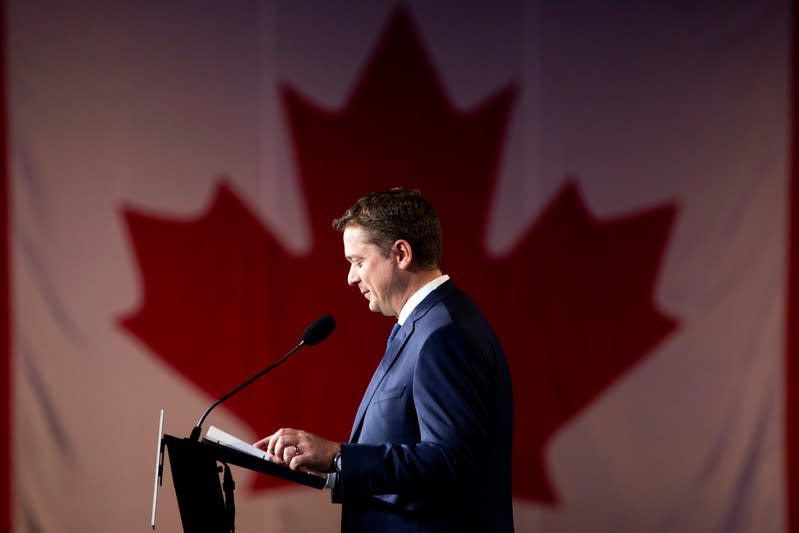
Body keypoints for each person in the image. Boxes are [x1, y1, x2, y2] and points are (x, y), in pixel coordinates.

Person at [254, 188, 514, 533]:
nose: (351, 277)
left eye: (358, 262)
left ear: (401, 253)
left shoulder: (443, 334)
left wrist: (338, 456)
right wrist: (339, 469)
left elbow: (450, 463)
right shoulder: (425, 326)